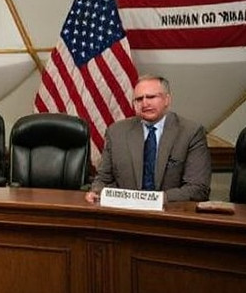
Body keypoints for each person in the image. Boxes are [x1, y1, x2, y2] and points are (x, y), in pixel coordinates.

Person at [85, 75, 211, 203]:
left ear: (167, 99)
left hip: (170, 214)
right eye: (139, 99)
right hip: (125, 213)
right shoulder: (116, 132)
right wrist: (96, 191)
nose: (145, 103)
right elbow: (102, 179)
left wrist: (151, 200)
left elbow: (198, 189)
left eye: (151, 97)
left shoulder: (191, 132)